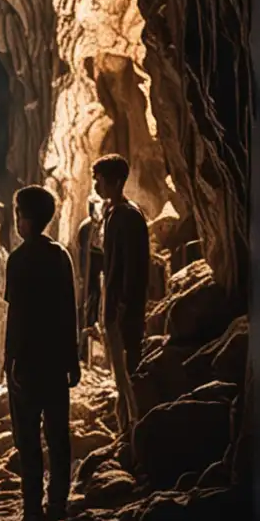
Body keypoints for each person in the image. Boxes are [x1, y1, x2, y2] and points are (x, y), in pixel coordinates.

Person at [4, 184, 81, 521]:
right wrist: (73, 359)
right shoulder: (60, 255)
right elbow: (69, 309)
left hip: (27, 361)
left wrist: (12, 360)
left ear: (26, 218)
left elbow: (16, 315)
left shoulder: (19, 260)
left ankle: (32, 512)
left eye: (18, 214)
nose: (16, 220)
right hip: (55, 360)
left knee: (28, 439)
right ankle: (59, 506)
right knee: (58, 435)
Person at [93, 152, 150, 447]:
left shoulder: (126, 216)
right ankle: (127, 432)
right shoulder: (116, 213)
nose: (95, 185)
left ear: (116, 181)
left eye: (99, 180)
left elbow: (134, 266)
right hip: (116, 308)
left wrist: (124, 305)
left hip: (122, 310)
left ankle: (136, 436)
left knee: (129, 375)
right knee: (121, 375)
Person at [77, 195, 105, 367]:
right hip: (89, 272)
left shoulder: (100, 227)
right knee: (89, 305)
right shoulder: (86, 227)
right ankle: (85, 351)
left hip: (97, 270)